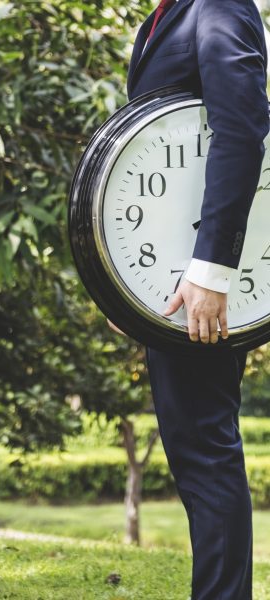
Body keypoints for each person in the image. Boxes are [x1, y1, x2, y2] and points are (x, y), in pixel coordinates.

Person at [109, 1, 270, 598]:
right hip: (170, 279)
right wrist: (120, 281)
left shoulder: (219, 5)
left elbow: (242, 130)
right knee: (197, 450)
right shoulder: (176, 11)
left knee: (206, 450)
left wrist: (213, 270)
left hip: (201, 281)